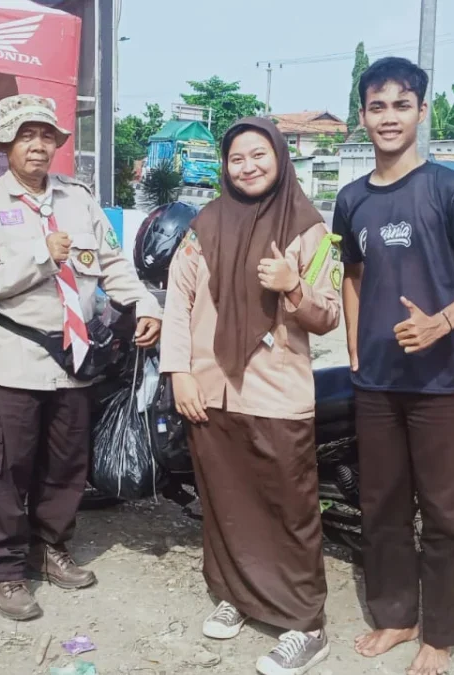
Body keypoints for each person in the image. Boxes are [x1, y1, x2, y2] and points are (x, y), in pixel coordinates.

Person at [333, 57, 454, 675]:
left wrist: (442, 322)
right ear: (362, 117)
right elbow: (352, 275)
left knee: (443, 511)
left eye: (401, 105)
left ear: (421, 112)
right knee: (381, 506)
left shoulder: (450, 189)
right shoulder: (351, 199)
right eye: (377, 107)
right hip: (376, 380)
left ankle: (440, 632)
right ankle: (396, 615)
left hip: (437, 381)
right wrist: (356, 344)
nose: (389, 117)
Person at [0, 94, 162, 621]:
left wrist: (143, 301)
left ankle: (49, 546)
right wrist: (38, 258)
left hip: (76, 358)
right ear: (6, 144)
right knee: (5, 466)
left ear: (56, 142)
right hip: (15, 359)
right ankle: (4, 572)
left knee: (66, 463)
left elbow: (112, 262)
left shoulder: (79, 199)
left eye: (44, 135)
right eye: (24, 136)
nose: (35, 145)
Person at [160, 117, 342, 675]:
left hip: (277, 392)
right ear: (225, 166)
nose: (248, 166)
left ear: (280, 158)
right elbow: (178, 298)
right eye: (237, 158)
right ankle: (237, 595)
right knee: (225, 504)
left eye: (259, 154)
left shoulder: (307, 228)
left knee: (290, 510)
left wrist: (292, 284)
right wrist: (180, 373)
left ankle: (305, 624)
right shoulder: (205, 225)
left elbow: (328, 314)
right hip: (211, 389)